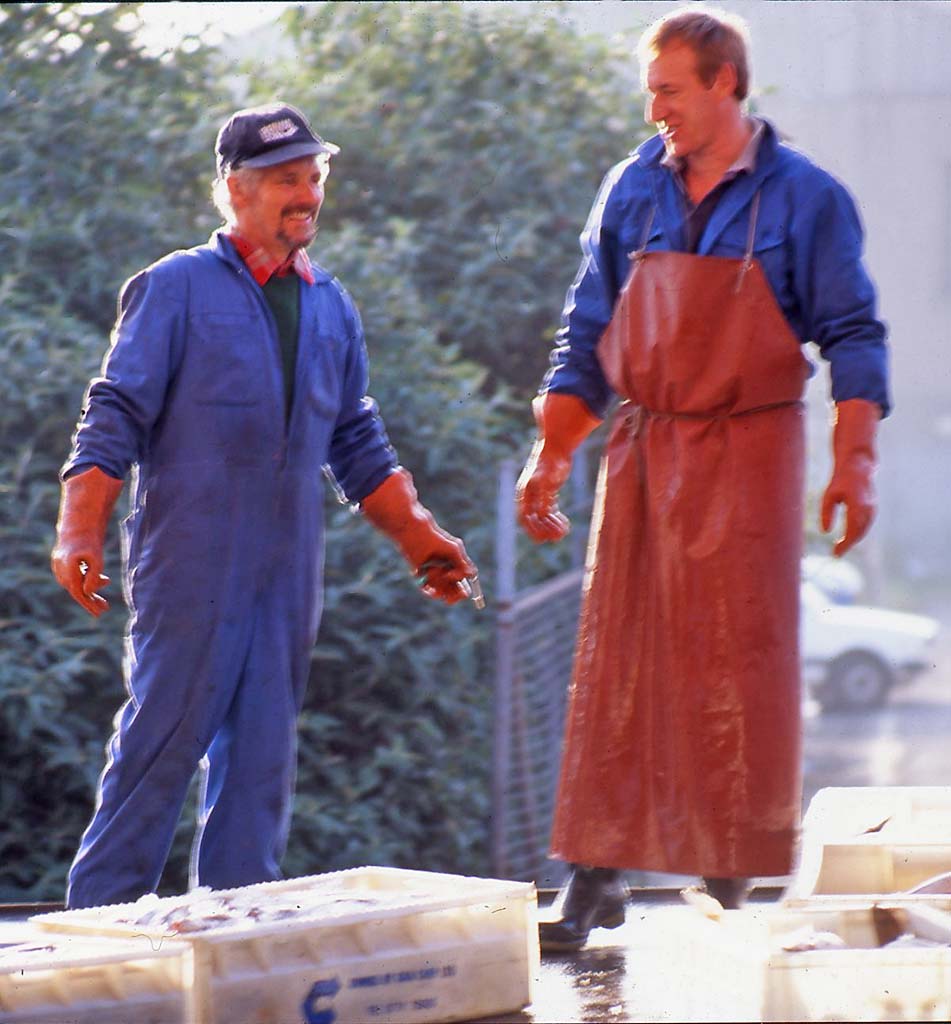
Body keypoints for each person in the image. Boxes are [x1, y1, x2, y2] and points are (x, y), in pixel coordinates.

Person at [516, 8, 889, 951]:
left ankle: (734, 884)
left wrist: (853, 462)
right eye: (650, 91)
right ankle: (591, 882)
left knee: (738, 661)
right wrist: (554, 451)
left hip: (751, 447)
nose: (655, 110)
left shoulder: (806, 196)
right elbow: (586, 332)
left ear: (726, 82)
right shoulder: (631, 187)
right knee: (616, 664)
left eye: (670, 90)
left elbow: (851, 335)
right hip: (644, 447)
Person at [51, 102, 477, 910]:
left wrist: (420, 536)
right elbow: (114, 413)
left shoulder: (330, 305)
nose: (307, 195)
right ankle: (93, 944)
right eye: (287, 179)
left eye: (314, 178)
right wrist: (81, 526)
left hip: (288, 571)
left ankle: (238, 940)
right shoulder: (174, 287)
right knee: (159, 747)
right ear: (234, 190)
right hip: (193, 564)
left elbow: (355, 440)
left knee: (261, 764)